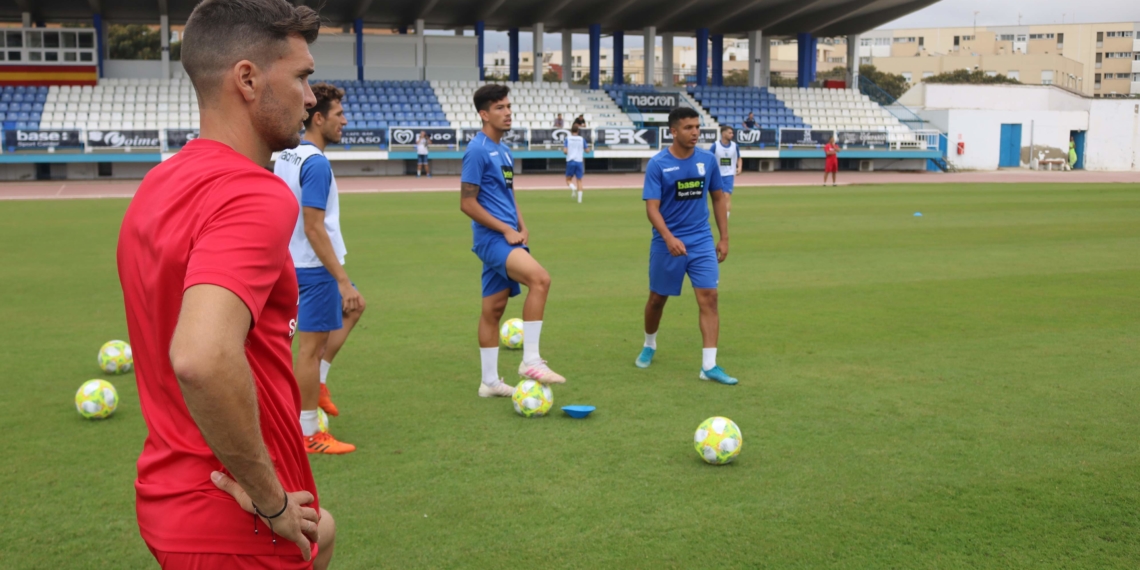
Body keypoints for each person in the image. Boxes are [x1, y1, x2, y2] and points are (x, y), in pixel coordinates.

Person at [116, 0, 336, 568]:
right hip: (233, 516)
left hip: (172, 491)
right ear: (247, 79)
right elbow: (202, 357)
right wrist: (269, 501)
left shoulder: (160, 183)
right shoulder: (253, 194)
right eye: (303, 77)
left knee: (325, 533)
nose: (311, 97)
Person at [461, 84, 567, 398]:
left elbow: (507, 194)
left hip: (508, 237)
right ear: (483, 114)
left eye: (508, 106)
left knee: (493, 309)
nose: (507, 112)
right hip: (493, 240)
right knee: (541, 280)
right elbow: (467, 202)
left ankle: (489, 382)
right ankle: (531, 360)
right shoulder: (477, 150)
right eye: (499, 108)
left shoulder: (504, 151)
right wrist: (506, 230)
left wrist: (521, 223)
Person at [274, 82, 361, 455]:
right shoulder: (316, 164)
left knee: (355, 309)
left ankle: (320, 385)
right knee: (309, 351)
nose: (345, 121)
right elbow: (313, 226)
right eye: (339, 115)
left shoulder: (287, 155)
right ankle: (309, 432)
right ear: (319, 118)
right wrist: (341, 280)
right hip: (313, 268)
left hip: (291, 261)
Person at [634, 107, 736, 385]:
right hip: (667, 242)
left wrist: (724, 237)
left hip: (701, 241)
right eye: (689, 127)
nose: (695, 132)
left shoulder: (707, 160)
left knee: (710, 298)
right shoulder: (658, 164)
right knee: (657, 299)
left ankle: (709, 366)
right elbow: (652, 209)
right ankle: (649, 344)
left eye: (697, 127)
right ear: (673, 131)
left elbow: (718, 198)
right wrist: (668, 237)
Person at [710, 125, 741, 216]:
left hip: (729, 175)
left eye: (732, 133)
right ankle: (720, 215)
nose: (732, 134)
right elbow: (709, 158)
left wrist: (739, 167)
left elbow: (739, 158)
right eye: (730, 133)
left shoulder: (735, 146)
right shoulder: (715, 145)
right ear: (723, 134)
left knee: (726, 196)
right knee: (719, 197)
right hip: (717, 175)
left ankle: (725, 217)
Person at [563, 124, 590, 203]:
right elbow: (587, 150)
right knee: (579, 180)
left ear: (571, 131)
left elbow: (565, 151)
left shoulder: (568, 139)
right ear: (578, 131)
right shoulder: (582, 139)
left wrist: (569, 153)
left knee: (568, 179)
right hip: (579, 161)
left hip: (571, 161)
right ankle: (579, 200)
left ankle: (572, 187)